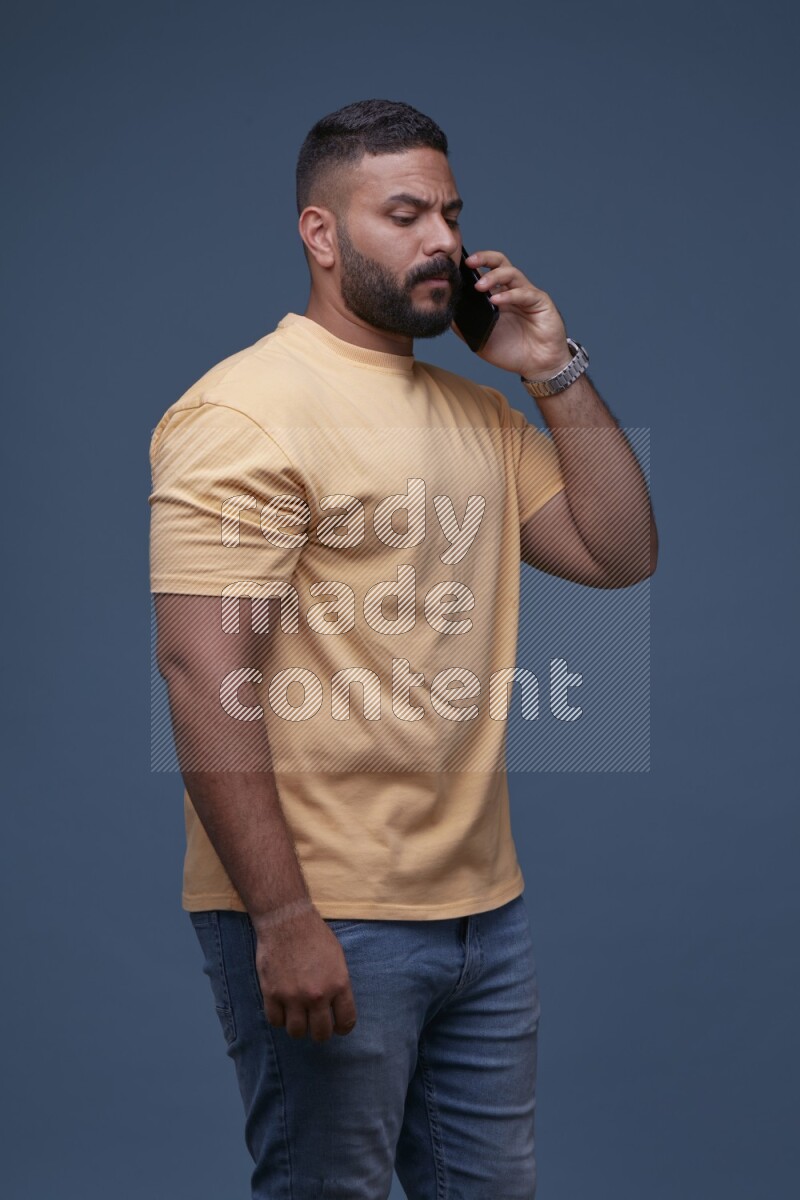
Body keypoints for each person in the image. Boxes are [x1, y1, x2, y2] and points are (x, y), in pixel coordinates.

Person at [149, 98, 657, 1199]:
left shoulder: (477, 416)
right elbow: (201, 677)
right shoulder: (244, 413)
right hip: (324, 907)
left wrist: (553, 370)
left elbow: (618, 553)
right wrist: (283, 918)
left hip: (483, 911)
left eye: (450, 213)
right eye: (404, 214)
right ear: (320, 233)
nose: (442, 241)